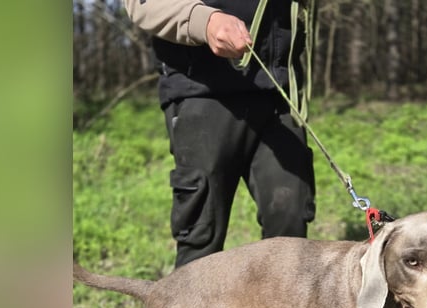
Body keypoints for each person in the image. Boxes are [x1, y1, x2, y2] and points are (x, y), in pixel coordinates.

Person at [123, 0, 316, 268]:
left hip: (278, 91)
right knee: (202, 235)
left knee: (290, 228)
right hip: (201, 89)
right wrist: (205, 20)